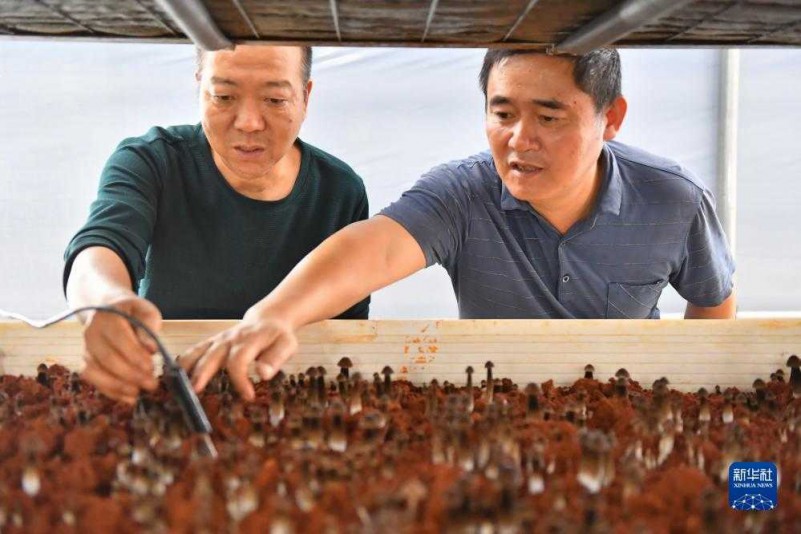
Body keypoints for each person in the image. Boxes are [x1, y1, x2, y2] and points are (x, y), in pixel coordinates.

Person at [179, 47, 736, 401]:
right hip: (493, 407)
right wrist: (273, 315)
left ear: (610, 117)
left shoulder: (673, 198)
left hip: (622, 407)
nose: (520, 139)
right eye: (502, 113)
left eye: (548, 117)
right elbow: (375, 248)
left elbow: (712, 306)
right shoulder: (463, 193)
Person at [64, 45, 369, 404]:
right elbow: (103, 243)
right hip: (166, 391)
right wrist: (104, 300)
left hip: (288, 398)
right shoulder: (152, 160)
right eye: (224, 96)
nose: (249, 123)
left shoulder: (339, 191)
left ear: (305, 97)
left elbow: (349, 334)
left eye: (275, 100)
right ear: (200, 87)